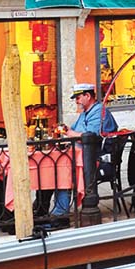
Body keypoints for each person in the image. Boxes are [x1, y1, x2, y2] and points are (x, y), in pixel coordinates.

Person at [50, 83, 119, 225]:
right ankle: (43, 208)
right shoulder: (85, 113)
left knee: (64, 169)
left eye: (78, 97)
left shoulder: (99, 112)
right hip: (80, 156)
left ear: (88, 96)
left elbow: (90, 137)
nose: (76, 101)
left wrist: (69, 133)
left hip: (98, 160)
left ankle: (60, 213)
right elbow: (74, 131)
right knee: (52, 166)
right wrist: (65, 130)